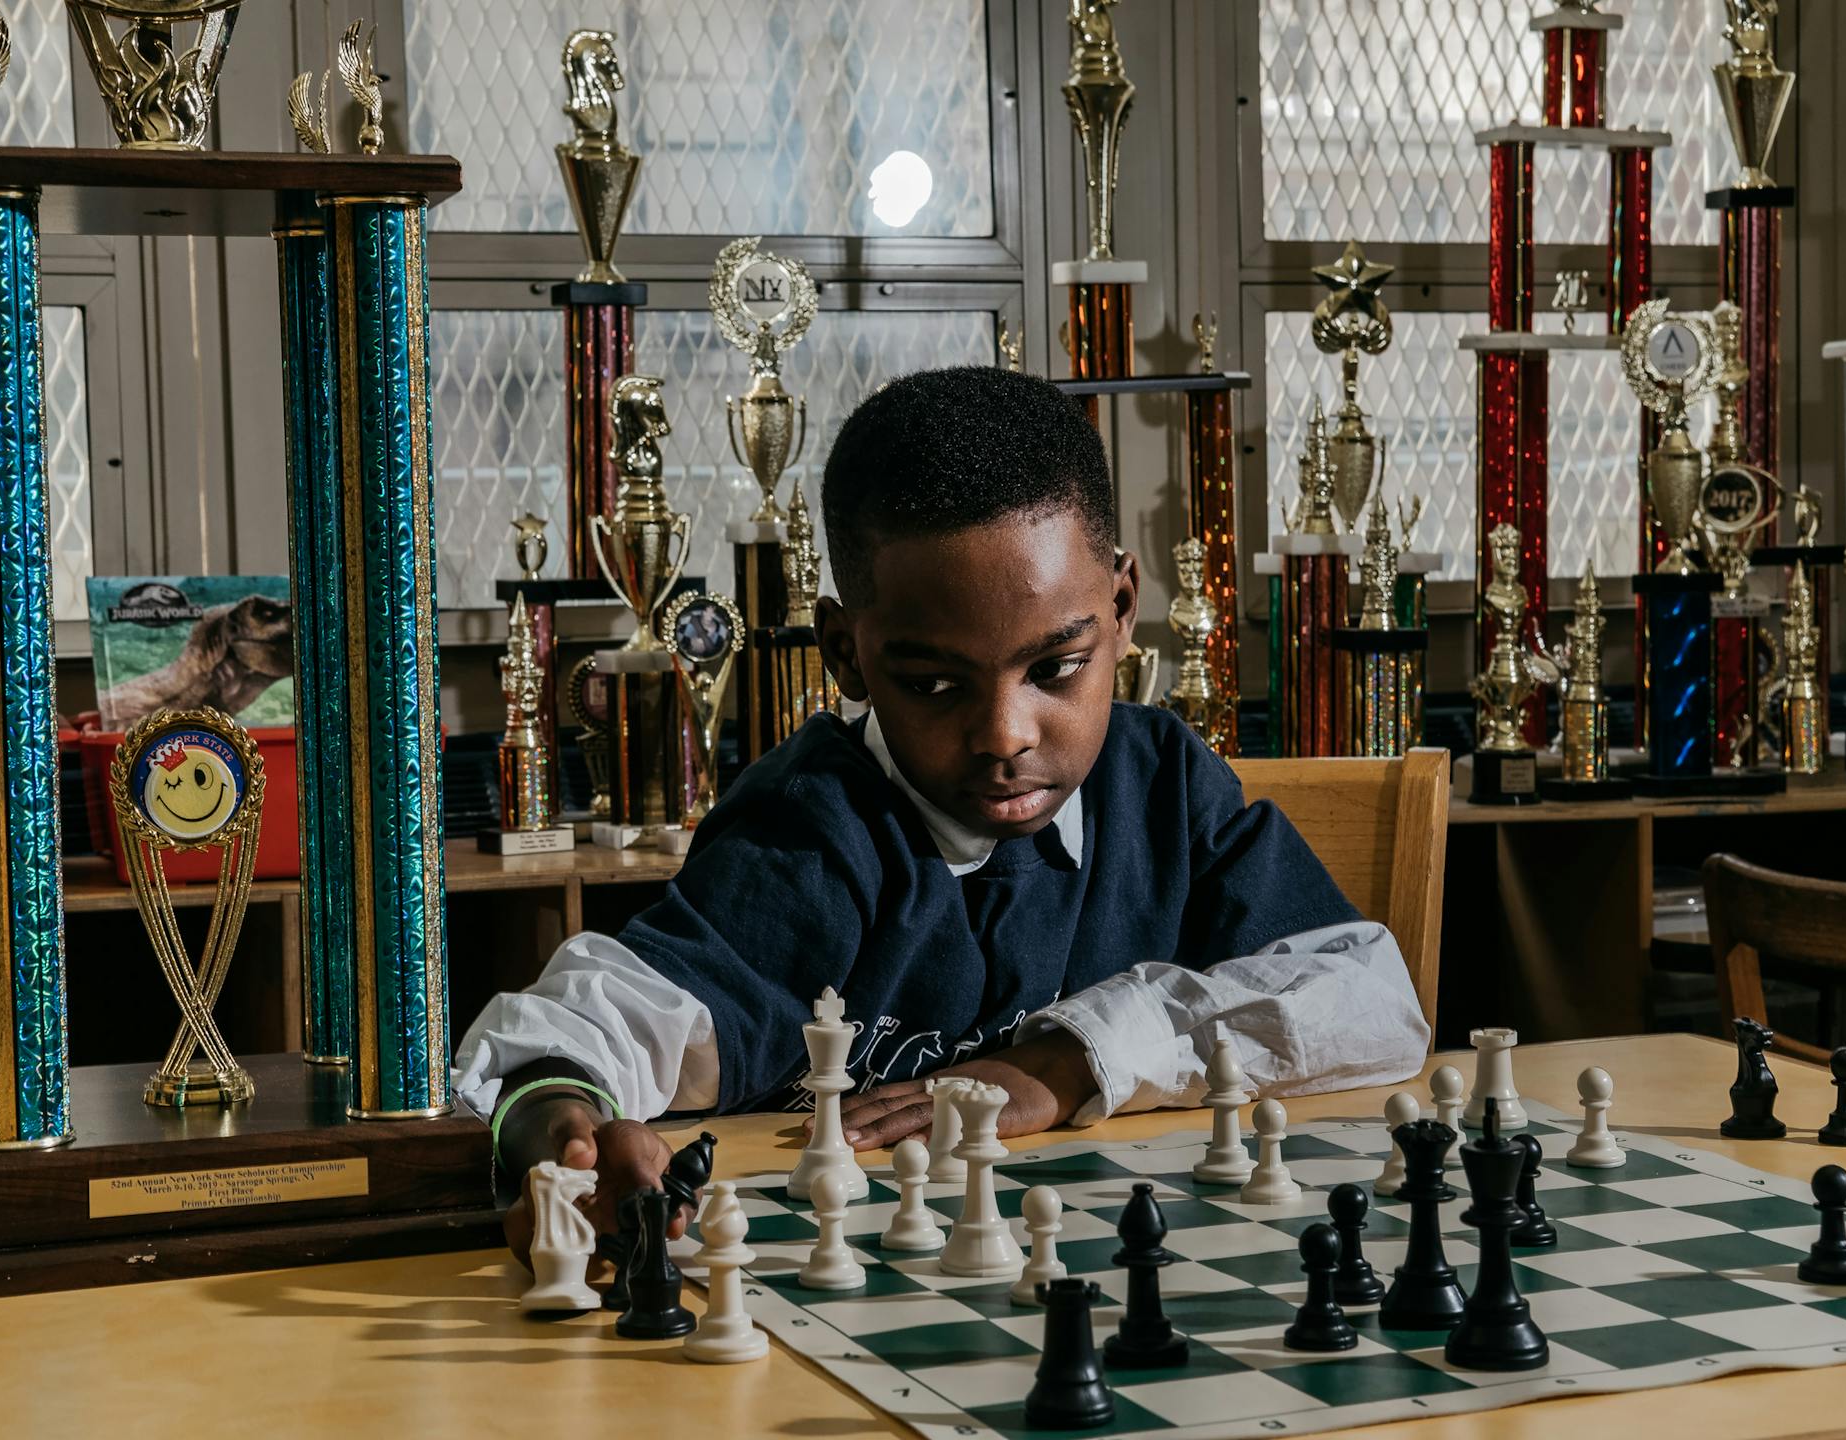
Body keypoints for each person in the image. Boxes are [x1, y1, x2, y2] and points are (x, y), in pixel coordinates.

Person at [455, 367, 1429, 1256]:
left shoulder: (1164, 780)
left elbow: (1372, 1000)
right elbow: (591, 1026)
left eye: (1054, 668)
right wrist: (561, 1124)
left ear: (1125, 605)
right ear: (844, 653)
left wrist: (1070, 1059)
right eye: (931, 684)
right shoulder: (811, 830)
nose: (1004, 734)